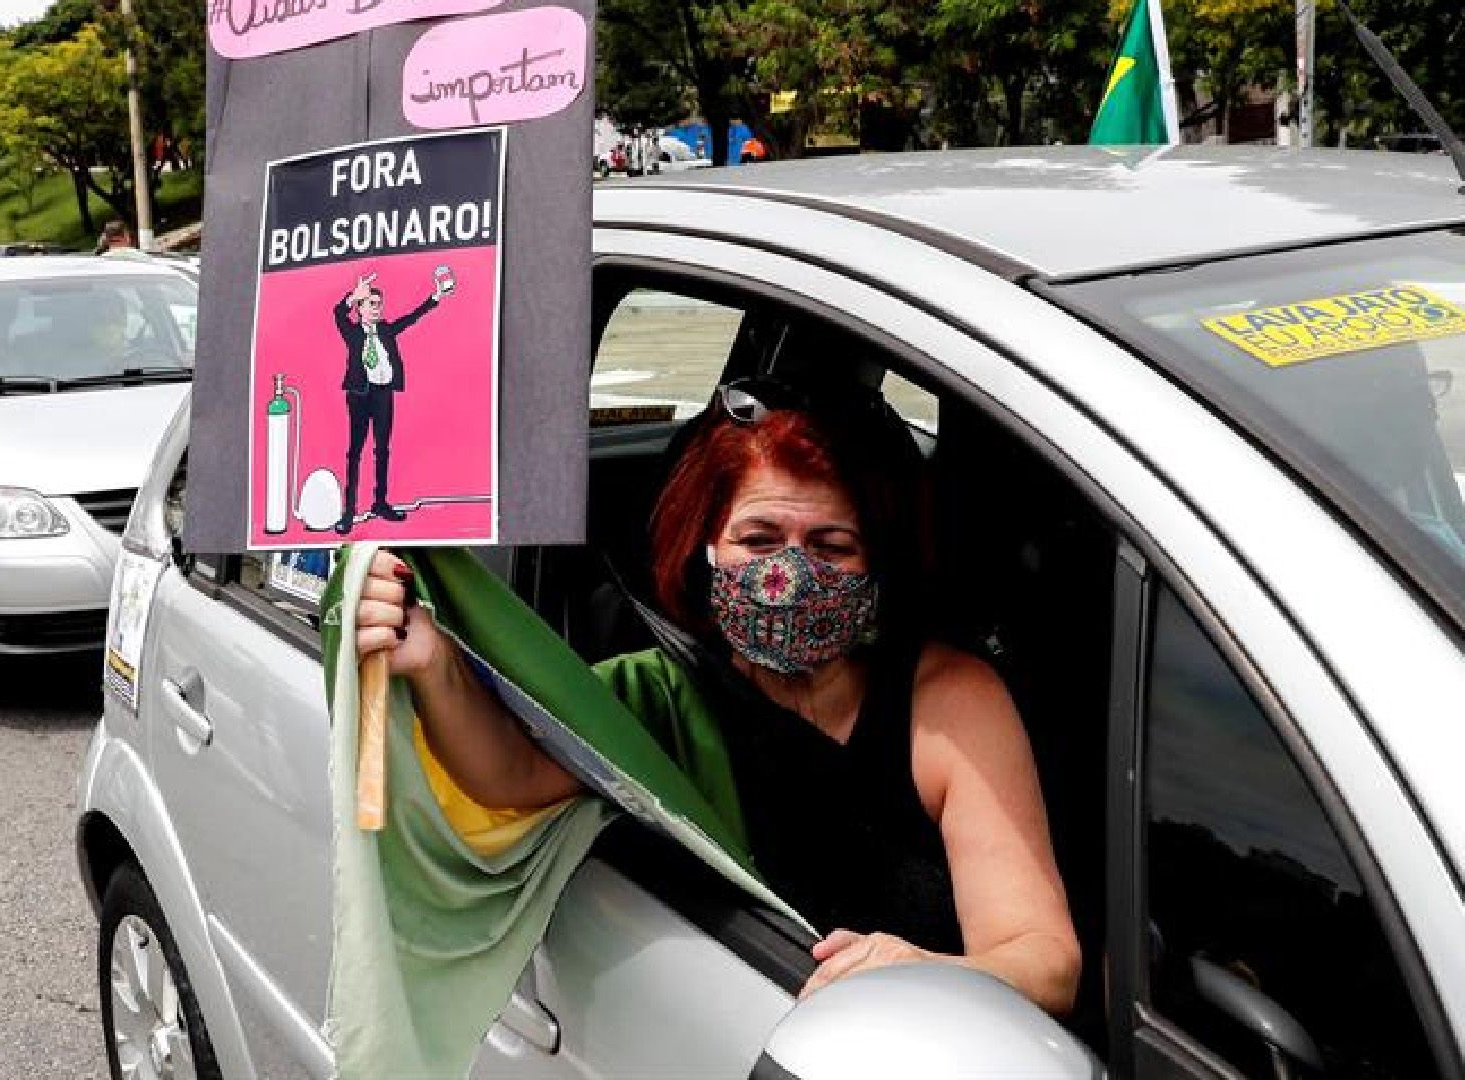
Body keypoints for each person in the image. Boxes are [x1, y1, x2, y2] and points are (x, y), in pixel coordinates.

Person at [353, 376, 1082, 1016]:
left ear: (877, 560)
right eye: (759, 540)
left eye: (830, 547)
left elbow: (1044, 962)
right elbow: (507, 772)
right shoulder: (662, 698)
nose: (789, 575)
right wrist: (434, 662)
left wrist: (928, 974)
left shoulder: (948, 702)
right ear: (705, 550)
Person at [330, 268, 453, 535]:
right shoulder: (352, 332)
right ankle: (348, 513)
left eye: (379, 305)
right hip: (360, 395)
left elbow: (411, 318)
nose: (376, 309)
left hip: (383, 394)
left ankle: (380, 503)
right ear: (360, 308)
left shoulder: (386, 330)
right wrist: (352, 296)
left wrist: (435, 297)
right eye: (370, 304)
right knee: (355, 453)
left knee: (382, 449)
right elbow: (337, 314)